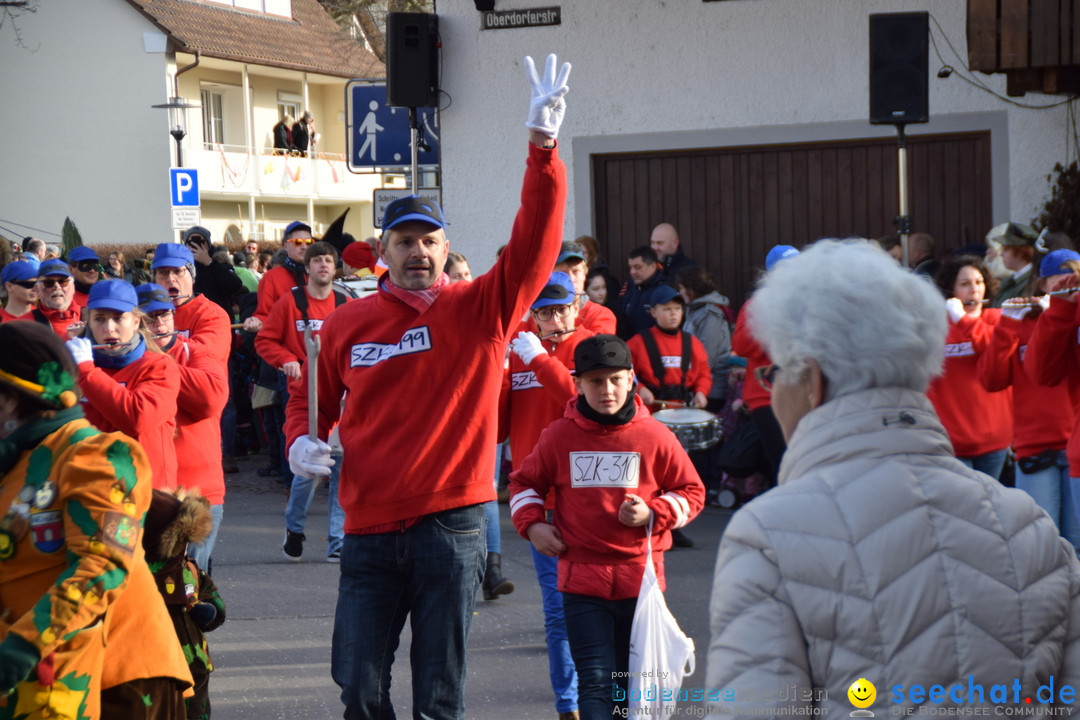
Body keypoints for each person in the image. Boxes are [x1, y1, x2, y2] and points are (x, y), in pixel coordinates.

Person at [284, 52, 571, 720]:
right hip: (369, 527)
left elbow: (534, 244)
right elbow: (310, 399)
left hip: (453, 524)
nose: (418, 251)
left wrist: (543, 149)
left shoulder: (482, 309)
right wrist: (301, 439)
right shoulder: (351, 323)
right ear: (383, 252)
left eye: (430, 241)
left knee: (439, 697)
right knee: (358, 685)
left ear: (446, 249)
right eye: (405, 240)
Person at [707, 239, 1080, 718]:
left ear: (811, 381)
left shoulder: (768, 534)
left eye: (773, 371)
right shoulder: (1029, 525)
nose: (770, 387)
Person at [509, 333, 704, 720]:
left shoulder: (655, 436)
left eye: (615, 379)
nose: (607, 389)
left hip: (641, 586)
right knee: (596, 683)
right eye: (596, 381)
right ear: (578, 383)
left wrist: (654, 512)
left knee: (626, 689)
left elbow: (692, 492)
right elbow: (523, 483)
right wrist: (532, 526)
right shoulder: (559, 436)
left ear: (631, 378)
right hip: (581, 587)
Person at [0, 321, 166, 719]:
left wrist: (21, 646)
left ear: (12, 398)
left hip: (107, 678)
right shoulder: (17, 457)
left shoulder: (93, 453)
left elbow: (101, 567)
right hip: (33, 678)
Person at [502, 271, 596, 720]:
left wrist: (540, 360)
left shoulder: (590, 347)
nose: (555, 318)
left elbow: (583, 404)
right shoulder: (521, 349)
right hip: (536, 496)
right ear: (533, 315)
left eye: (562, 309)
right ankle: (568, 705)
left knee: (600, 606)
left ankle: (602, 694)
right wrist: (499, 375)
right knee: (557, 609)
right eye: (545, 311)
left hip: (587, 496)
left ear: (576, 308)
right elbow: (500, 427)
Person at [977, 250, 1079, 546]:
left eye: (1074, 275)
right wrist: (1008, 324)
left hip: (1073, 440)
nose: (1068, 282)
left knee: (1076, 544)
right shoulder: (1022, 319)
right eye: (1060, 276)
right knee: (1041, 542)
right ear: (1042, 283)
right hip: (1036, 446)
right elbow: (991, 380)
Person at [255, 242, 348, 562]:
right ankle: (294, 529)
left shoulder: (345, 303)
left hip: (342, 398)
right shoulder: (289, 303)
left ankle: (337, 541)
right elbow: (265, 340)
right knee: (309, 469)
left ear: (335, 268)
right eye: (317, 260)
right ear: (306, 268)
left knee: (340, 468)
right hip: (305, 397)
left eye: (329, 260)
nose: (323, 265)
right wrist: (286, 360)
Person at [140, 282, 229, 572]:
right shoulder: (127, 361)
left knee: (190, 589)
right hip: (149, 490)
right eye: (150, 317)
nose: (160, 322)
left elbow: (210, 400)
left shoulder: (196, 352)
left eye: (165, 314)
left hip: (200, 491)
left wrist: (158, 366)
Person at [66, 279, 181, 491]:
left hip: (147, 496)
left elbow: (137, 418)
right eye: (99, 319)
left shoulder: (159, 366)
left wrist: (86, 372)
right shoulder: (74, 367)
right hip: (90, 491)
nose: (109, 328)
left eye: (119, 318)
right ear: (88, 321)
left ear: (136, 321)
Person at [142, 488, 227, 720]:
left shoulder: (190, 570)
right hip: (154, 667)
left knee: (197, 712)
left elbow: (215, 604)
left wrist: (208, 611)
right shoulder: (138, 577)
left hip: (194, 663)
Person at [927, 254, 1012, 480]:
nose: (974, 290)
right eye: (965, 284)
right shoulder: (936, 327)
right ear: (951, 290)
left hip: (995, 439)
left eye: (979, 282)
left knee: (991, 506)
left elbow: (992, 347)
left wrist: (963, 320)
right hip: (951, 441)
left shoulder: (997, 319)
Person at [730, 244, 798, 488]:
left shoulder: (811, 302)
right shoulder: (756, 305)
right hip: (766, 396)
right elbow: (741, 344)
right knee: (783, 464)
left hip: (805, 393)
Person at [627, 285, 711, 411]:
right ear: (653, 312)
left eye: (677, 308)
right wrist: (641, 389)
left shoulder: (693, 343)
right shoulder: (637, 343)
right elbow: (626, 372)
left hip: (684, 410)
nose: (673, 314)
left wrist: (701, 392)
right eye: (667, 309)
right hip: (650, 411)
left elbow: (703, 373)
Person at [675, 265, 732, 411]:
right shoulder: (695, 309)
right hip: (697, 384)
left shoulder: (710, 314)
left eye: (682, 288)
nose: (680, 292)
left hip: (712, 389)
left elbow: (708, 356)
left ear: (692, 290)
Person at [555, 241, 616, 334]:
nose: (571, 279)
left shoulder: (601, 316)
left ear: (584, 275)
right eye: (563, 273)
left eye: (576, 271)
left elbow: (598, 347)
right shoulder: (537, 315)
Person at [184, 226, 245, 315]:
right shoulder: (181, 265)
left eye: (201, 241)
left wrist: (209, 263)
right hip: (191, 314)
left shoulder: (220, 262)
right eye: (191, 242)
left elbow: (235, 286)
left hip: (218, 314)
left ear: (208, 244)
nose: (195, 245)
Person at [991, 222, 1043, 307]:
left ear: (1021, 251)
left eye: (1006, 249)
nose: (1001, 254)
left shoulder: (1033, 283)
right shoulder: (1010, 280)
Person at [620, 245, 664, 339]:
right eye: (631, 267)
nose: (632, 272)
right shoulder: (629, 287)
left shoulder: (664, 289)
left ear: (652, 266)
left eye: (637, 267)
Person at [33, 258, 82, 338]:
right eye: (48, 283)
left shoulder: (90, 318)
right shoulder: (24, 326)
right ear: (37, 289)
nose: (57, 287)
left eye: (63, 282)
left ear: (73, 287)